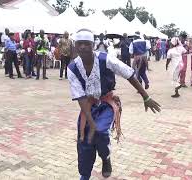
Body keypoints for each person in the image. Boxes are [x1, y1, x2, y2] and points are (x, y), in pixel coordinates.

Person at [67, 29, 161, 180]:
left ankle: (106, 158)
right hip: (87, 107)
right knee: (84, 140)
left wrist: (146, 97)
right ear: (75, 45)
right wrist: (90, 122)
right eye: (79, 44)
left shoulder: (105, 59)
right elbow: (80, 97)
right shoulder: (72, 68)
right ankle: (84, 175)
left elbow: (128, 73)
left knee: (100, 132)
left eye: (87, 44)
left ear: (93, 45)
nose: (83, 47)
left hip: (106, 104)